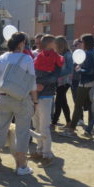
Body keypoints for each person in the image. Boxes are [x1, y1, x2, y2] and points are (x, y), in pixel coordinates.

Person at [0, 32, 38, 175]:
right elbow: (32, 83)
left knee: (0, 129)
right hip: (22, 99)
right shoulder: (27, 58)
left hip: (3, 97)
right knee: (22, 132)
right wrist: (35, 101)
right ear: (21, 43)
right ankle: (22, 166)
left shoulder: (2, 58)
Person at [31, 35, 63, 167]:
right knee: (37, 125)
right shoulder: (38, 57)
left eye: (40, 43)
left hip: (46, 96)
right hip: (35, 96)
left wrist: (37, 83)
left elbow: (54, 78)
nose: (38, 45)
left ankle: (47, 154)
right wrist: (34, 85)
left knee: (44, 127)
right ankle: (39, 150)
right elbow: (31, 74)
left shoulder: (56, 58)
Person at [66, 34, 94, 134]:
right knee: (91, 106)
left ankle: (71, 129)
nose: (80, 43)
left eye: (81, 41)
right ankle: (89, 129)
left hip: (86, 83)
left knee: (78, 106)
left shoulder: (87, 54)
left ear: (86, 43)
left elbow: (89, 70)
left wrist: (79, 69)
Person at [52, 36, 74, 128]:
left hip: (65, 81)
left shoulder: (68, 55)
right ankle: (69, 122)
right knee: (63, 102)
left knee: (58, 102)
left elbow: (69, 69)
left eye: (55, 44)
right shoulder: (59, 54)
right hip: (60, 81)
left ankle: (53, 123)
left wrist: (57, 74)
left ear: (60, 45)